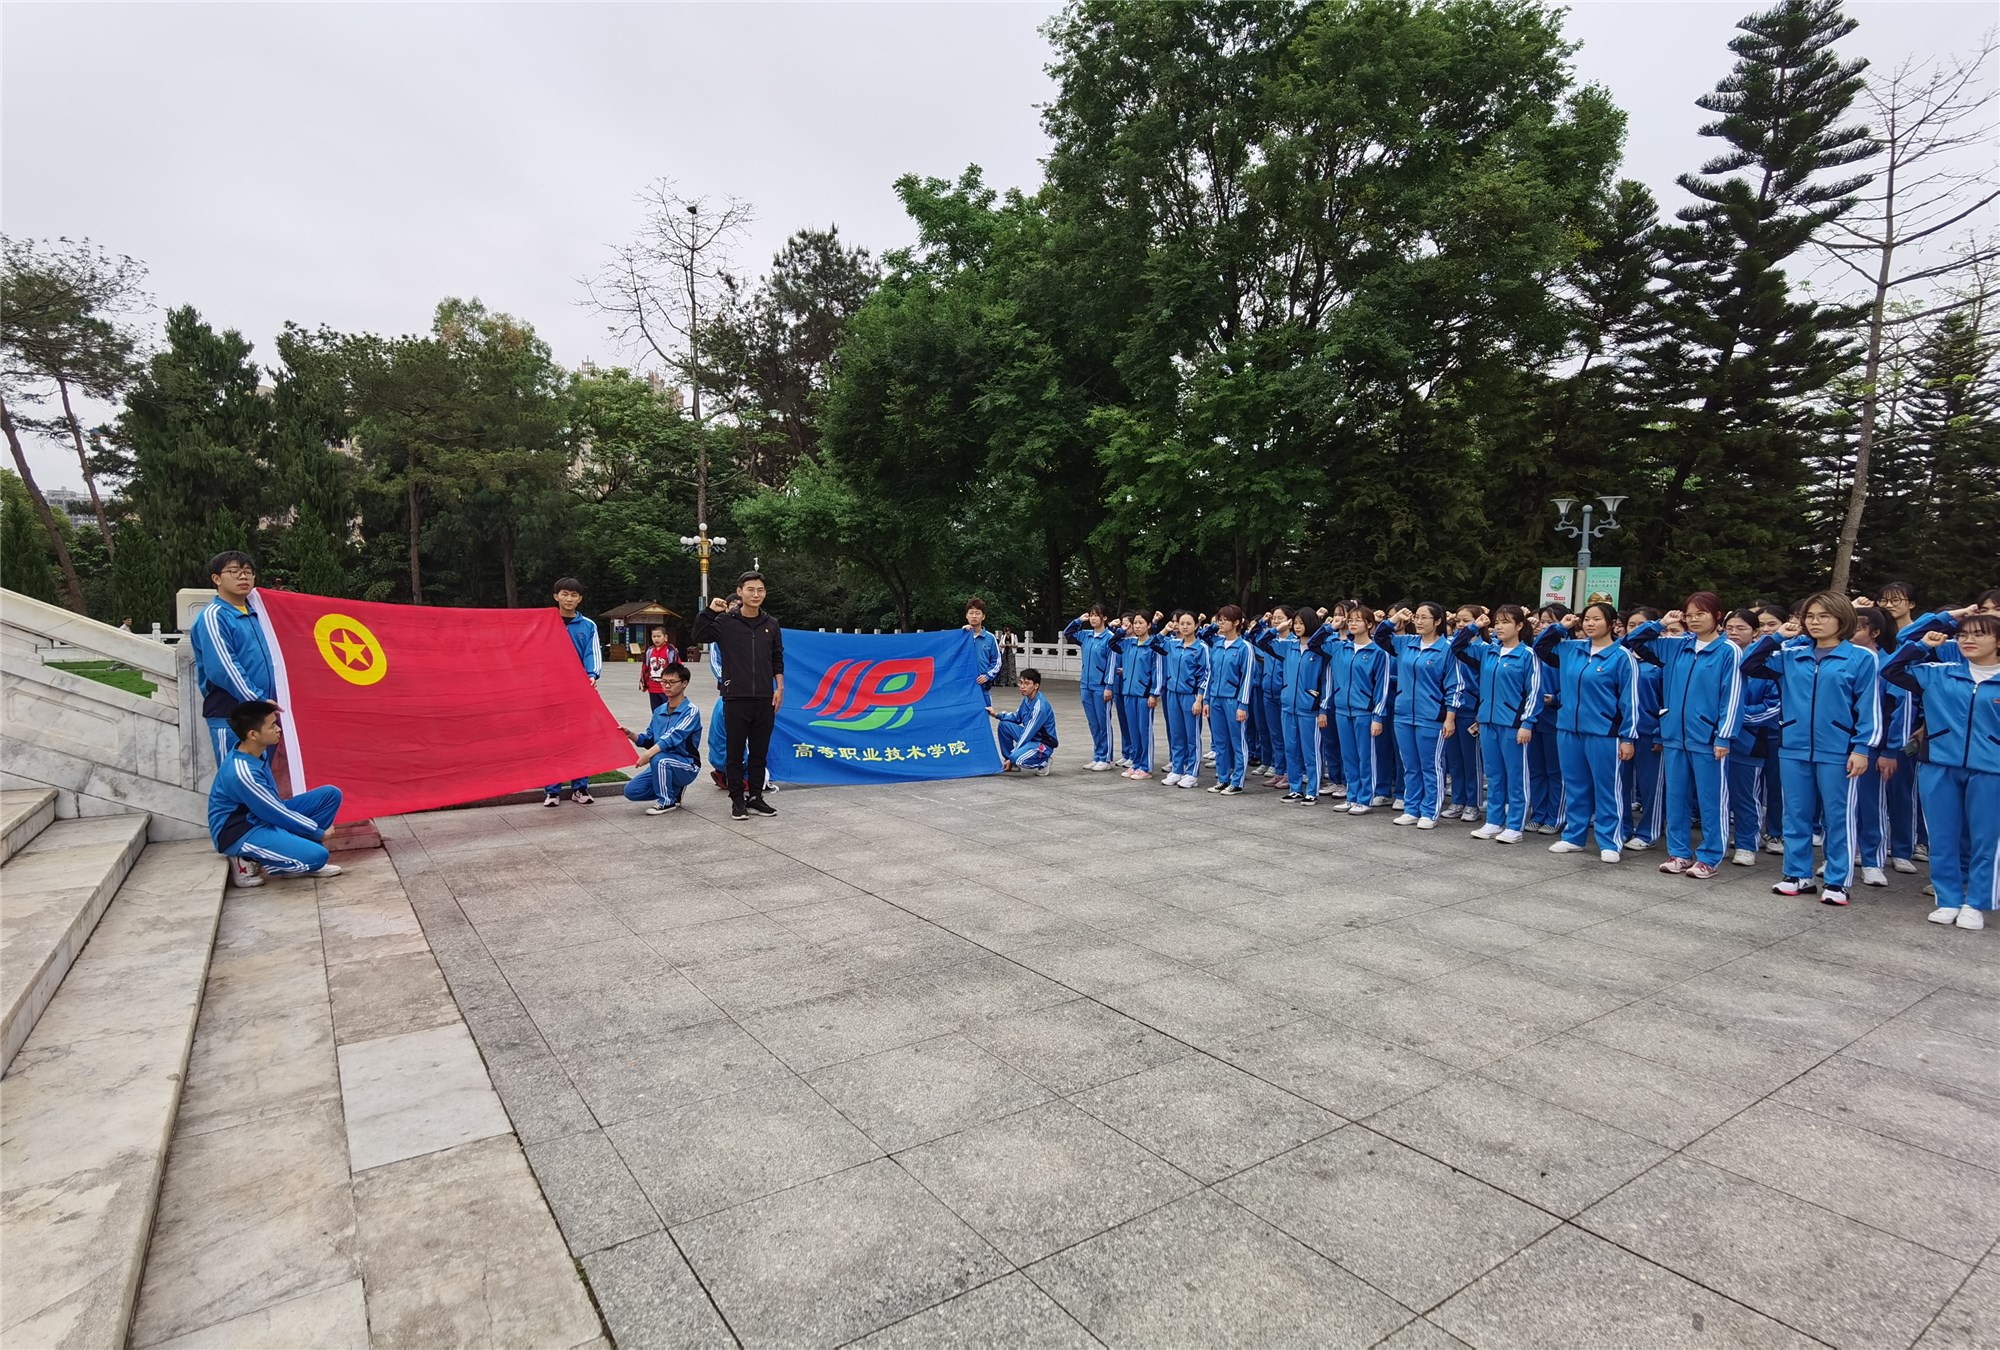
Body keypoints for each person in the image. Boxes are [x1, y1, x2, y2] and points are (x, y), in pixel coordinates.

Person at [1741, 592, 1882, 905]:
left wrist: (1862, 747)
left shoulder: (1861, 658)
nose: (1815, 622)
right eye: (1810, 616)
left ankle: (1837, 881)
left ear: (1842, 619)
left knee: (1838, 817)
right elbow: (1750, 663)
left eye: (1824, 616)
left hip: (1839, 750)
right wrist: (1777, 636)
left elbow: (1869, 706)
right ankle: (1797, 874)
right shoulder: (1792, 654)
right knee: (1796, 814)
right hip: (1794, 746)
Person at [1883, 611, 2000, 930]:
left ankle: (1976, 903)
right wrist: (1924, 643)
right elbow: (1890, 668)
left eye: (1979, 634)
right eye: (1963, 635)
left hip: (1991, 771)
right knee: (1942, 836)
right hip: (1939, 765)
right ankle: (1948, 899)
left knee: (1986, 840)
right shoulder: (1939, 673)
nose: (1969, 640)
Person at [1625, 595, 1744, 880]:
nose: (1694, 619)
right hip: (1674, 735)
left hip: (1707, 737)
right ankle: (1678, 853)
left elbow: (1732, 695)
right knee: (1676, 796)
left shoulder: (1728, 650)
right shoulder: (1677, 645)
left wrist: (1724, 736)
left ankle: (1709, 857)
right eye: (1690, 614)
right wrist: (1660, 623)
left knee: (1710, 799)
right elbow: (1631, 642)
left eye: (1701, 613)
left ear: (1717, 616)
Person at [1534, 602, 1639, 863]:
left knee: (1607, 788)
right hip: (1568, 729)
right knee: (1575, 785)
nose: (1590, 624)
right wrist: (1561, 627)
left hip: (1604, 733)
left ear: (1612, 624)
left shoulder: (1621, 656)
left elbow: (1630, 701)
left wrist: (1628, 737)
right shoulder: (1572, 649)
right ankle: (1574, 837)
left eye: (1597, 619)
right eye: (1587, 619)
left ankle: (1610, 841)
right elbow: (1540, 647)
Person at [207, 700, 342, 884]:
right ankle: (246, 858)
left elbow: (274, 807)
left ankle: (291, 855)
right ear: (253, 734)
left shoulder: (257, 752)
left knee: (330, 795)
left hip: (261, 816)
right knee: (318, 856)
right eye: (272, 726)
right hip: (239, 831)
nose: (278, 729)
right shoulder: (242, 772)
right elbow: (275, 813)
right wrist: (317, 832)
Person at [690, 571, 785, 821]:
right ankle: (737, 800)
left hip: (764, 697)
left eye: (760, 590)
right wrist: (709, 612)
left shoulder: (771, 624)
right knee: (734, 752)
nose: (756, 594)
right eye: (750, 589)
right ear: (740, 592)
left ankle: (756, 797)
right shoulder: (725, 622)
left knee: (759, 752)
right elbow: (699, 636)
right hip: (735, 697)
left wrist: (779, 687)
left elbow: (777, 657)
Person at [1452, 604, 1541, 842]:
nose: (1499, 627)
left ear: (1520, 626)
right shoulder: (1488, 652)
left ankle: (1515, 826)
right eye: (1497, 622)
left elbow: (1534, 692)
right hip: (1488, 721)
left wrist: (1527, 723)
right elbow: (1457, 646)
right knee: (1493, 775)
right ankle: (1493, 821)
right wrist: (1475, 626)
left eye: (1506, 622)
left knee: (1516, 775)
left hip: (1513, 724)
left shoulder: (1527, 655)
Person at [188, 550, 276, 770]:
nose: (243, 576)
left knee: (261, 779)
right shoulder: (214, 616)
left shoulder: (257, 614)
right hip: (232, 715)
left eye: (248, 571)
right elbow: (223, 668)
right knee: (236, 777)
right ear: (216, 579)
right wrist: (257, 699)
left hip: (265, 713)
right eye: (234, 571)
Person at [1250, 605, 1336, 804]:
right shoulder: (1289, 646)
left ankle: (1312, 790)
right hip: (1288, 706)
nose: (1297, 627)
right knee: (1291, 749)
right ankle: (1295, 788)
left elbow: (1327, 681)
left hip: (1310, 709)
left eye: (1301, 623)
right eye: (1295, 623)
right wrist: (1279, 627)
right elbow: (1261, 641)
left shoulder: (1321, 650)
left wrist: (1323, 708)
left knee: (1311, 752)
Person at [1384, 603, 1456, 829]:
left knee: (1431, 766)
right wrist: (1395, 617)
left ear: (1438, 621)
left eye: (1425, 617)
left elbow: (1454, 685)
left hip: (1431, 716)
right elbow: (1380, 636)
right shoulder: (1406, 642)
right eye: (1417, 617)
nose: (1419, 621)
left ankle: (1430, 811)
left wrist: (1450, 717)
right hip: (1404, 714)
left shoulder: (1447, 649)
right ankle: (1411, 808)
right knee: (1410, 765)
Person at [1722, 608, 1779, 866]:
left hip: (1749, 740)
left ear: (1755, 632)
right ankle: (1718, 840)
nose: (1734, 633)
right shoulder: (1720, 657)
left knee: (1745, 795)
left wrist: (1735, 715)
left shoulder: (1766, 663)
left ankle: (1747, 843)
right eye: (1729, 628)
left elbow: (1774, 706)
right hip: (1713, 739)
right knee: (1716, 795)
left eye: (1741, 628)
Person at [543, 577, 604, 807]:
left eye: (574, 595)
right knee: (553, 739)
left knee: (580, 738)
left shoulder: (588, 625)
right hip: (550, 690)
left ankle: (580, 788)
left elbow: (592, 653)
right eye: (565, 594)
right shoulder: (544, 623)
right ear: (556, 596)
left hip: (579, 691)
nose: (569, 599)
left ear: (580, 599)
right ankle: (552, 791)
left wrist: (592, 675)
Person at [1332, 605, 1392, 815]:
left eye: (1358, 620)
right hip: (1342, 709)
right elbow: (1315, 642)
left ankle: (1365, 798)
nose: (1352, 623)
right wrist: (1333, 626)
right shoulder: (1341, 648)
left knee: (1366, 756)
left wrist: (1378, 716)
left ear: (1369, 624)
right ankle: (1352, 796)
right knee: (1348, 755)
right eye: (1350, 620)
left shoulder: (1378, 653)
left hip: (1365, 712)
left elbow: (1382, 688)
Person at [622, 662, 702, 814]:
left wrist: (648, 755)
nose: (666, 686)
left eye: (672, 682)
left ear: (684, 683)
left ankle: (667, 801)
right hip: (661, 762)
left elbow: (673, 736)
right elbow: (650, 739)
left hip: (687, 764)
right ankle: (675, 790)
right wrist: (631, 735)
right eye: (664, 682)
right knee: (631, 790)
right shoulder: (659, 711)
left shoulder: (691, 711)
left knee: (659, 759)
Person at [1620, 607, 1667, 852]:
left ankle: (1649, 831)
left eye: (1641, 625)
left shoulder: (1660, 662)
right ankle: (1623, 827)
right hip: (1623, 732)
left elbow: (1668, 702)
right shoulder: (1622, 659)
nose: (1635, 630)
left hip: (1650, 732)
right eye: (1631, 625)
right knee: (1621, 784)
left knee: (1651, 787)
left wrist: (1660, 733)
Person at [1199, 606, 1256, 795]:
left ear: (1237, 622)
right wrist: (1206, 699)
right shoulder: (1217, 645)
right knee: (1220, 742)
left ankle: (1237, 781)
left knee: (1238, 741)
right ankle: (1222, 778)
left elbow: (1247, 679)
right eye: (1219, 619)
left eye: (1225, 620)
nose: (1220, 623)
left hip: (1233, 700)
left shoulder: (1244, 647)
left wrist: (1243, 705)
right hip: (1215, 699)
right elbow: (1210, 674)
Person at [1106, 612, 1166, 780]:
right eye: (1135, 623)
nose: (1137, 626)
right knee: (1133, 731)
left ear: (1149, 625)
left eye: (1141, 623)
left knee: (1144, 731)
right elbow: (1111, 643)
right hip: (1128, 692)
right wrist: (1122, 630)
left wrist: (1154, 694)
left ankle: (1146, 767)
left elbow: (1158, 672)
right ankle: (1136, 763)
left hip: (1144, 695)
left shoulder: (1153, 645)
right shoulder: (1128, 643)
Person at [1062, 606, 1119, 771]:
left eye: (1096, 615)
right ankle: (1097, 755)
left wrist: (1109, 686)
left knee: (1103, 723)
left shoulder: (1110, 638)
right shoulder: (1085, 635)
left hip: (1101, 686)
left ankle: (1106, 758)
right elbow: (1067, 634)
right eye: (1092, 615)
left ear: (1104, 618)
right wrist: (1078, 621)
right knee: (1093, 723)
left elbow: (1112, 665)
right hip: (1086, 685)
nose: (1093, 618)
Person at [1160, 611, 1211, 788]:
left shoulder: (1201, 647)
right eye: (1181, 623)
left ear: (1196, 625)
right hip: (1173, 694)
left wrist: (1199, 699)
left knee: (1192, 736)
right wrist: (1165, 629)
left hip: (1191, 695)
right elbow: (1153, 643)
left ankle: (1192, 773)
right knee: (1176, 734)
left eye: (1189, 623)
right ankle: (1177, 769)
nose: (1184, 626)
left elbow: (1206, 675)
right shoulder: (1173, 644)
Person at [990, 667, 1059, 775]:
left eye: (1027, 683)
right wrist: (997, 715)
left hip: (1042, 743)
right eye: (1021, 682)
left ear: (1036, 686)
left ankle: (1043, 761)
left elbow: (1027, 733)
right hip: (1032, 738)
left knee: (1016, 758)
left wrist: (1013, 756)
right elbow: (1017, 717)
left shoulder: (1040, 707)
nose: (1022, 686)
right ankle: (1011, 762)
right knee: (1004, 725)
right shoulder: (1027, 699)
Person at [964, 599, 1002, 707]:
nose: (974, 616)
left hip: (982, 686)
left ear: (983, 616)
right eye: (971, 613)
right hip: (964, 686)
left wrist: (987, 675)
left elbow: (997, 661)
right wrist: (961, 633)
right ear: (966, 616)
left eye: (977, 613)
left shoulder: (990, 638)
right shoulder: (961, 637)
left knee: (984, 714)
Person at [640, 627, 678, 710]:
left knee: (668, 710)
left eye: (659, 636)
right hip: (653, 687)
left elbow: (676, 667)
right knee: (656, 711)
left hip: (667, 687)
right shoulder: (649, 651)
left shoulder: (670, 650)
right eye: (654, 636)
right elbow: (645, 667)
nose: (656, 639)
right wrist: (644, 682)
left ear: (665, 637)